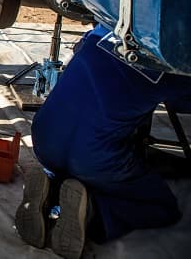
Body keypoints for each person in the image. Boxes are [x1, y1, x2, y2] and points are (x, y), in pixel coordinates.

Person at [16, 25, 191, 259]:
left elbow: (80, 47)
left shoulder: (107, 25)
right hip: (94, 157)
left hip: (43, 137)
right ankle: (93, 213)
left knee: (91, 131)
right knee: (162, 208)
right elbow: (183, 105)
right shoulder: (178, 59)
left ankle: (51, 190)